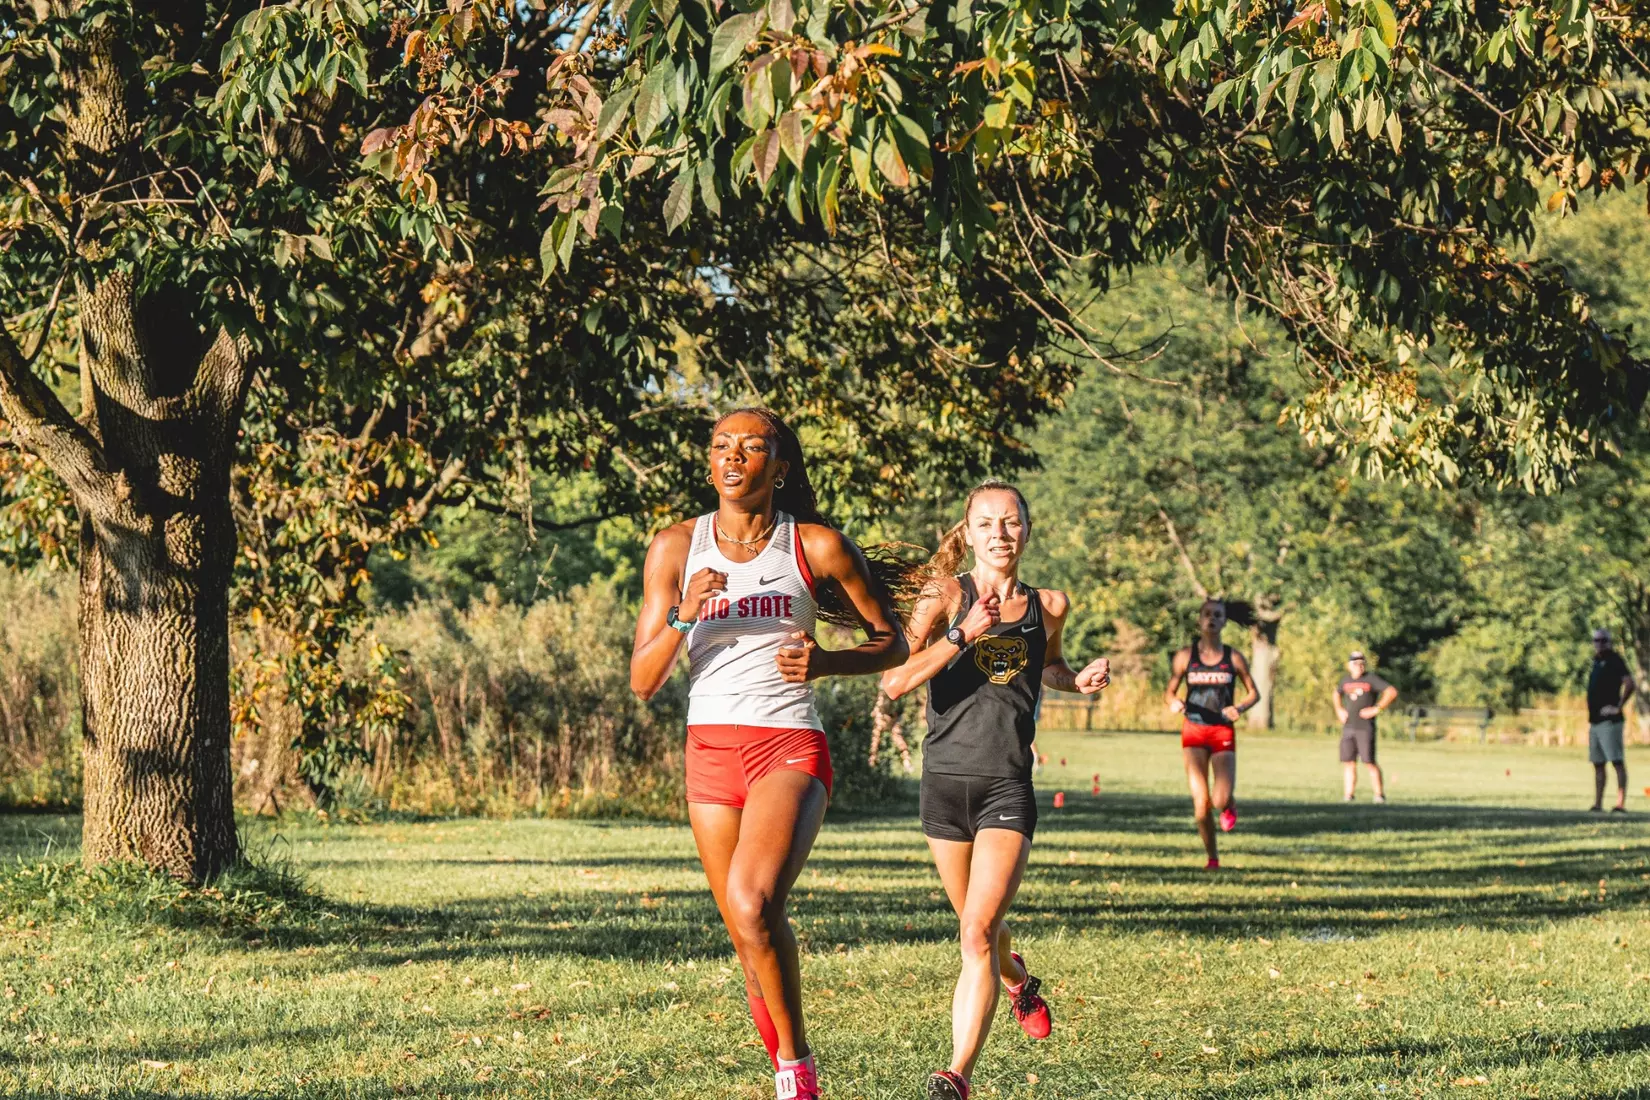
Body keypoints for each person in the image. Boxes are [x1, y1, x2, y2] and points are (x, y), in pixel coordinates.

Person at [630, 408, 908, 1100]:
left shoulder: (814, 545)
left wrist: (825, 665)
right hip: (709, 751)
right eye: (722, 445)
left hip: (788, 743)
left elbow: (892, 641)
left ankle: (797, 1073)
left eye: (752, 447)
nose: (733, 456)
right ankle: (788, 1071)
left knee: (753, 905)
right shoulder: (675, 547)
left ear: (778, 468)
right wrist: (683, 613)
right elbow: (642, 680)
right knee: (746, 938)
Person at [880, 480, 1111, 1100]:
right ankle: (1019, 982)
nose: (999, 534)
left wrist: (1078, 681)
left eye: (1010, 523)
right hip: (944, 783)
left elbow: (1048, 668)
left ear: (1026, 531)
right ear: (969, 531)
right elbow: (896, 682)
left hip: (1007, 782)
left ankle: (956, 1074)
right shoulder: (944, 594)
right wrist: (962, 634)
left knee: (976, 931)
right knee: (980, 929)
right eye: (987, 524)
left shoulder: (1049, 605)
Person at [1164, 599, 1259, 869]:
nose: (1212, 619)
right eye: (1207, 614)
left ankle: (1229, 804)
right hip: (1193, 729)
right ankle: (1212, 857)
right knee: (1201, 803)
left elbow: (1254, 693)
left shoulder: (1234, 657)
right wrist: (1173, 702)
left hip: (1221, 731)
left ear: (1225, 621)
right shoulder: (1186, 656)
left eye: (1217, 615)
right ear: (1199, 620)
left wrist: (1239, 707)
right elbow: (1169, 690)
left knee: (1219, 799)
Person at [1334, 651, 1398, 803]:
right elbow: (1336, 693)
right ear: (1349, 665)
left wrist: (1377, 708)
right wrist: (1339, 709)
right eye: (1355, 663)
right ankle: (1349, 795)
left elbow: (1391, 692)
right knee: (1348, 762)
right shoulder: (1345, 680)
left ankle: (1379, 795)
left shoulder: (1371, 679)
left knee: (1369, 762)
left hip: (1365, 728)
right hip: (1349, 727)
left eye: (1362, 663)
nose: (1359, 666)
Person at [1586, 627, 1635, 813]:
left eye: (1602, 640)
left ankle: (1620, 803)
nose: (1599, 644)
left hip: (1610, 721)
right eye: (1596, 640)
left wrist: (1618, 706)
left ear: (1609, 642)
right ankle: (1598, 803)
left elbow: (1629, 683)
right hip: (1595, 721)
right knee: (1598, 763)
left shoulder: (1615, 660)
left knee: (1616, 761)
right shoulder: (1596, 662)